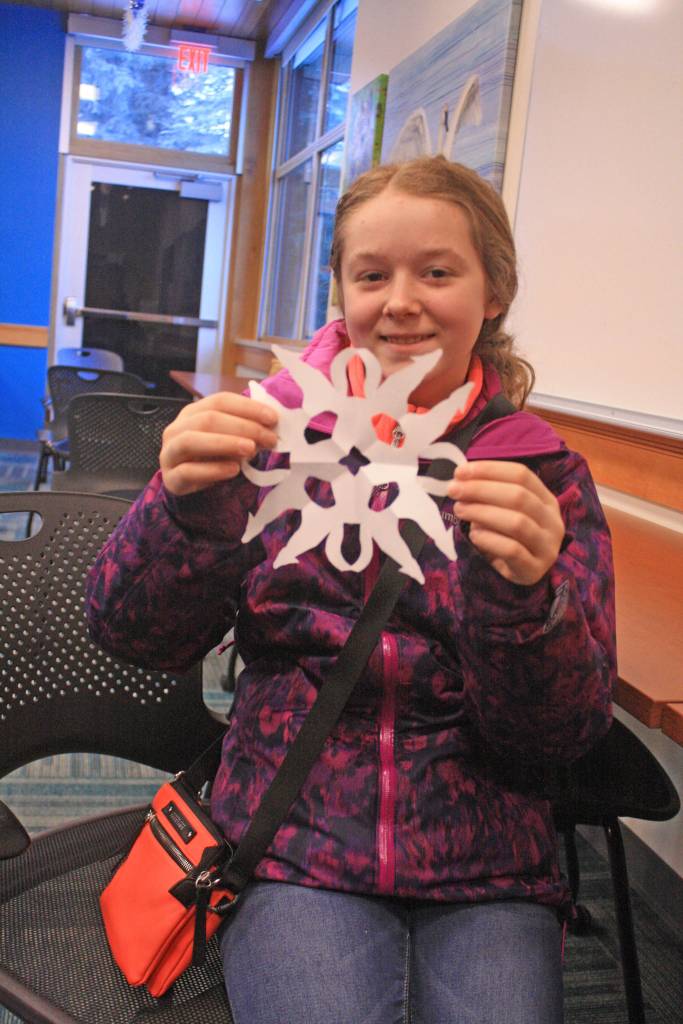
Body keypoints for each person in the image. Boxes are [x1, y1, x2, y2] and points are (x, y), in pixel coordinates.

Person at [86, 156, 615, 1024]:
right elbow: (131, 635)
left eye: (436, 272)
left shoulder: (540, 474)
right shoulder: (267, 435)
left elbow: (560, 735)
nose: (400, 301)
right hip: (297, 835)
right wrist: (184, 510)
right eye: (371, 275)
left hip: (486, 850)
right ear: (340, 291)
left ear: (493, 292)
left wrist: (526, 603)